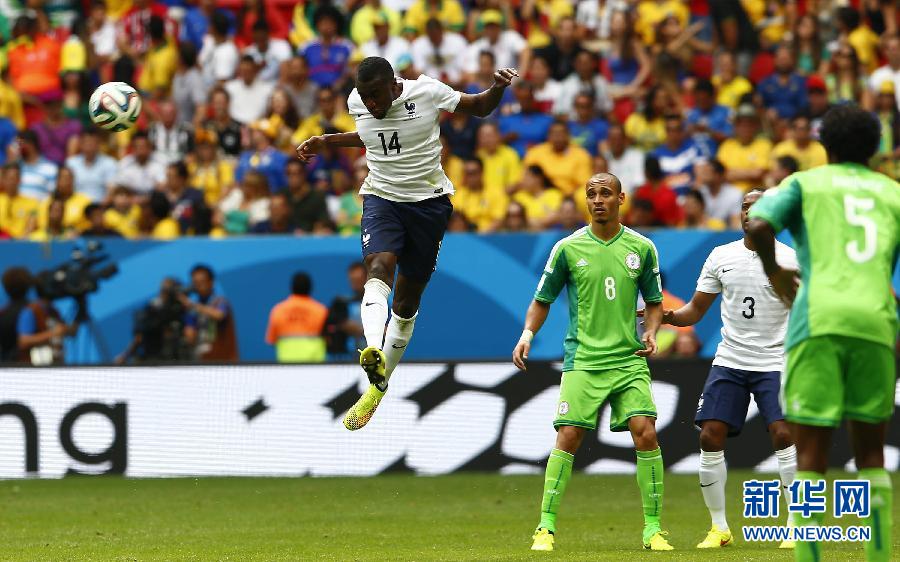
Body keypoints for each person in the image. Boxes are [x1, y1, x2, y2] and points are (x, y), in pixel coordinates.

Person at [296, 56, 518, 431]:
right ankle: (371, 350)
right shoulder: (357, 101)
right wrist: (327, 140)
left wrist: (497, 88)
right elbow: (372, 134)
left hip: (428, 205)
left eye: (377, 96)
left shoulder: (427, 92)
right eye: (365, 98)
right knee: (378, 266)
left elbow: (479, 107)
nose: (370, 105)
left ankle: (377, 388)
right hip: (382, 199)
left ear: (394, 85)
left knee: (406, 301)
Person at [747, 105, 899, 562]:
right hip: (875, 322)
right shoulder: (892, 192)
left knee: (811, 455)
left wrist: (775, 272)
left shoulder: (804, 184)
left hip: (818, 320)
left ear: (823, 145)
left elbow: (757, 225)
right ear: (875, 149)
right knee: (871, 451)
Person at [512, 172, 671, 552]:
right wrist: (527, 335)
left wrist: (651, 331)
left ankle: (653, 529)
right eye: (591, 194)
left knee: (645, 431)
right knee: (568, 436)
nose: (598, 200)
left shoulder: (642, 247)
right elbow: (543, 299)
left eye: (605, 193)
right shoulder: (567, 248)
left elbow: (654, 301)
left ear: (621, 198)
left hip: (628, 359)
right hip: (583, 358)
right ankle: (545, 528)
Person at [646, 190, 798, 549]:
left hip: (776, 361)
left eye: (759, 207)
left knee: (783, 434)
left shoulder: (790, 259)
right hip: (730, 360)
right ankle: (719, 528)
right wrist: (666, 316)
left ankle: (795, 525)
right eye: (745, 206)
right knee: (709, 436)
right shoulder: (721, 256)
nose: (750, 212)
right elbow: (695, 312)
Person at [265, 271, 328, 363]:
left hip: (286, 365)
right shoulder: (321, 310)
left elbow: (271, 340)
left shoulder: (278, 310)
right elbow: (328, 339)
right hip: (314, 365)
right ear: (310, 288)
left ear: (291, 288)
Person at [182, 264, 238, 362]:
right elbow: (190, 337)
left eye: (202, 282)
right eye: (195, 283)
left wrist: (194, 306)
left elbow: (219, 315)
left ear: (211, 282)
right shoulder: (192, 310)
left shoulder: (220, 302)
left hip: (224, 362)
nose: (198, 286)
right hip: (201, 361)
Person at [324, 261, 367, 358]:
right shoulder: (340, 303)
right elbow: (345, 326)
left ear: (366, 278)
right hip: (346, 359)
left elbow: (387, 330)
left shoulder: (380, 303)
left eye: (358, 280)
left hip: (374, 358)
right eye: (352, 280)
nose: (355, 283)